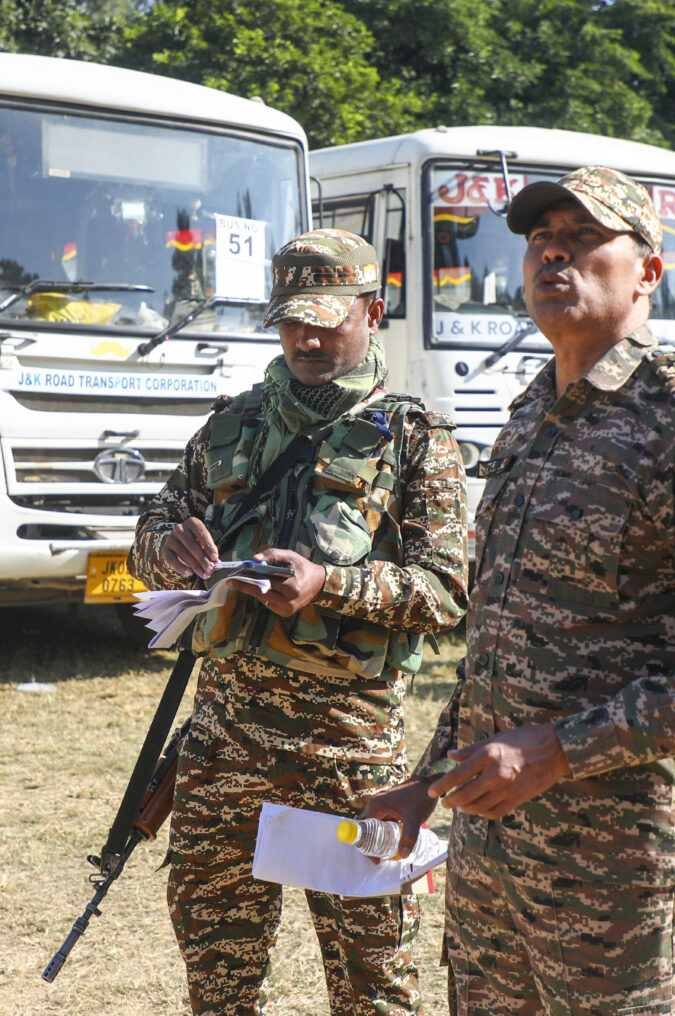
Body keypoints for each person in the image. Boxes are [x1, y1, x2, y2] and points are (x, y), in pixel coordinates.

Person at [365, 167, 675, 1015]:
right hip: (493, 852)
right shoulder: (532, 413)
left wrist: (560, 748)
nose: (553, 250)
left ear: (648, 271)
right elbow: (501, 642)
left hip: (616, 866)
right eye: (538, 238)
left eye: (585, 235)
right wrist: (429, 784)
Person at [128, 228, 469, 1016]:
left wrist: (331, 586)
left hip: (349, 759)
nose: (307, 338)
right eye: (290, 321)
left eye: (326, 319)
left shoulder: (417, 440)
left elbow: (448, 590)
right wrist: (167, 549)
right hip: (222, 752)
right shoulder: (229, 426)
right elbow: (148, 535)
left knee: (372, 989)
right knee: (217, 985)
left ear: (373, 311)